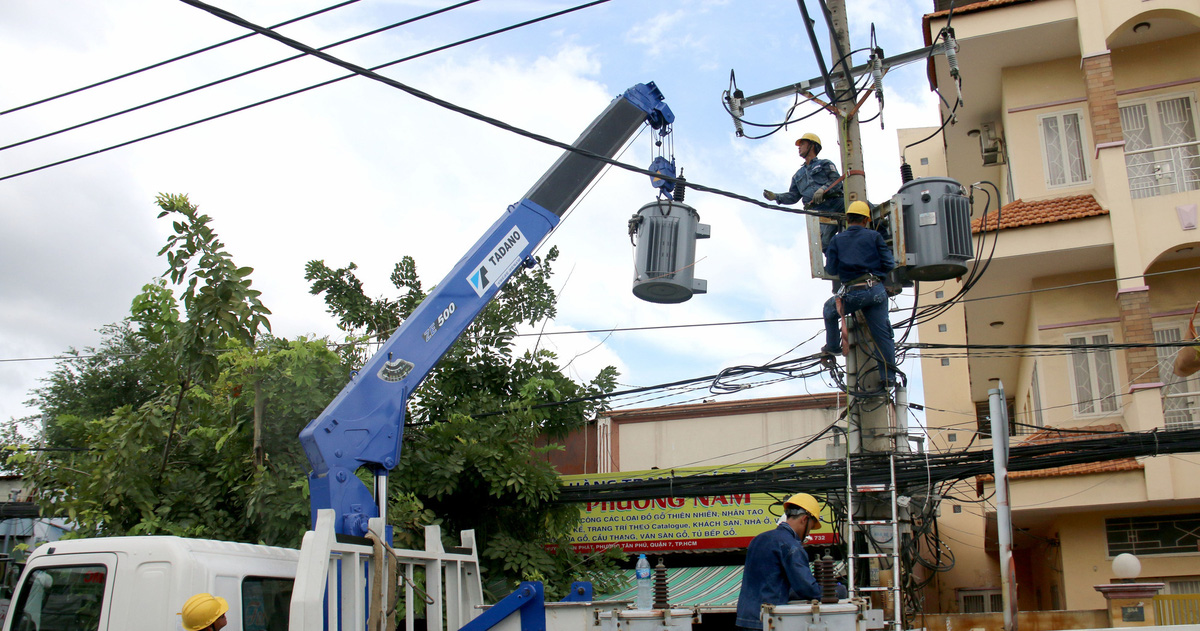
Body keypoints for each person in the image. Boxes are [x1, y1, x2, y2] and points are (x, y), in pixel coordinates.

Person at [821, 201, 897, 386]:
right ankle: (888, 377)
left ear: (848, 219)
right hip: (877, 291)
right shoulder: (875, 236)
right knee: (882, 335)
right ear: (865, 219)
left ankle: (833, 347)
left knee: (829, 309)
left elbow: (830, 268)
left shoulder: (837, 240)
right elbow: (889, 264)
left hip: (855, 291)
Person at [735, 493, 823, 630]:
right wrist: (833, 593)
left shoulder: (758, 539)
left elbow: (770, 582)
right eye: (810, 528)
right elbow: (806, 588)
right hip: (768, 621)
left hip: (744, 619)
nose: (808, 534)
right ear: (804, 519)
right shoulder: (791, 546)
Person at [763, 132, 844, 251]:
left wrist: (823, 189)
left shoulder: (824, 163)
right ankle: (837, 267)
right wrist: (776, 196)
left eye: (802, 144)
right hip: (819, 211)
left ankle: (881, 230)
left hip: (835, 203)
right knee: (825, 244)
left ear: (812, 146)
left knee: (863, 208)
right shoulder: (798, 175)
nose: (799, 147)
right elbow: (793, 196)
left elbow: (836, 180)